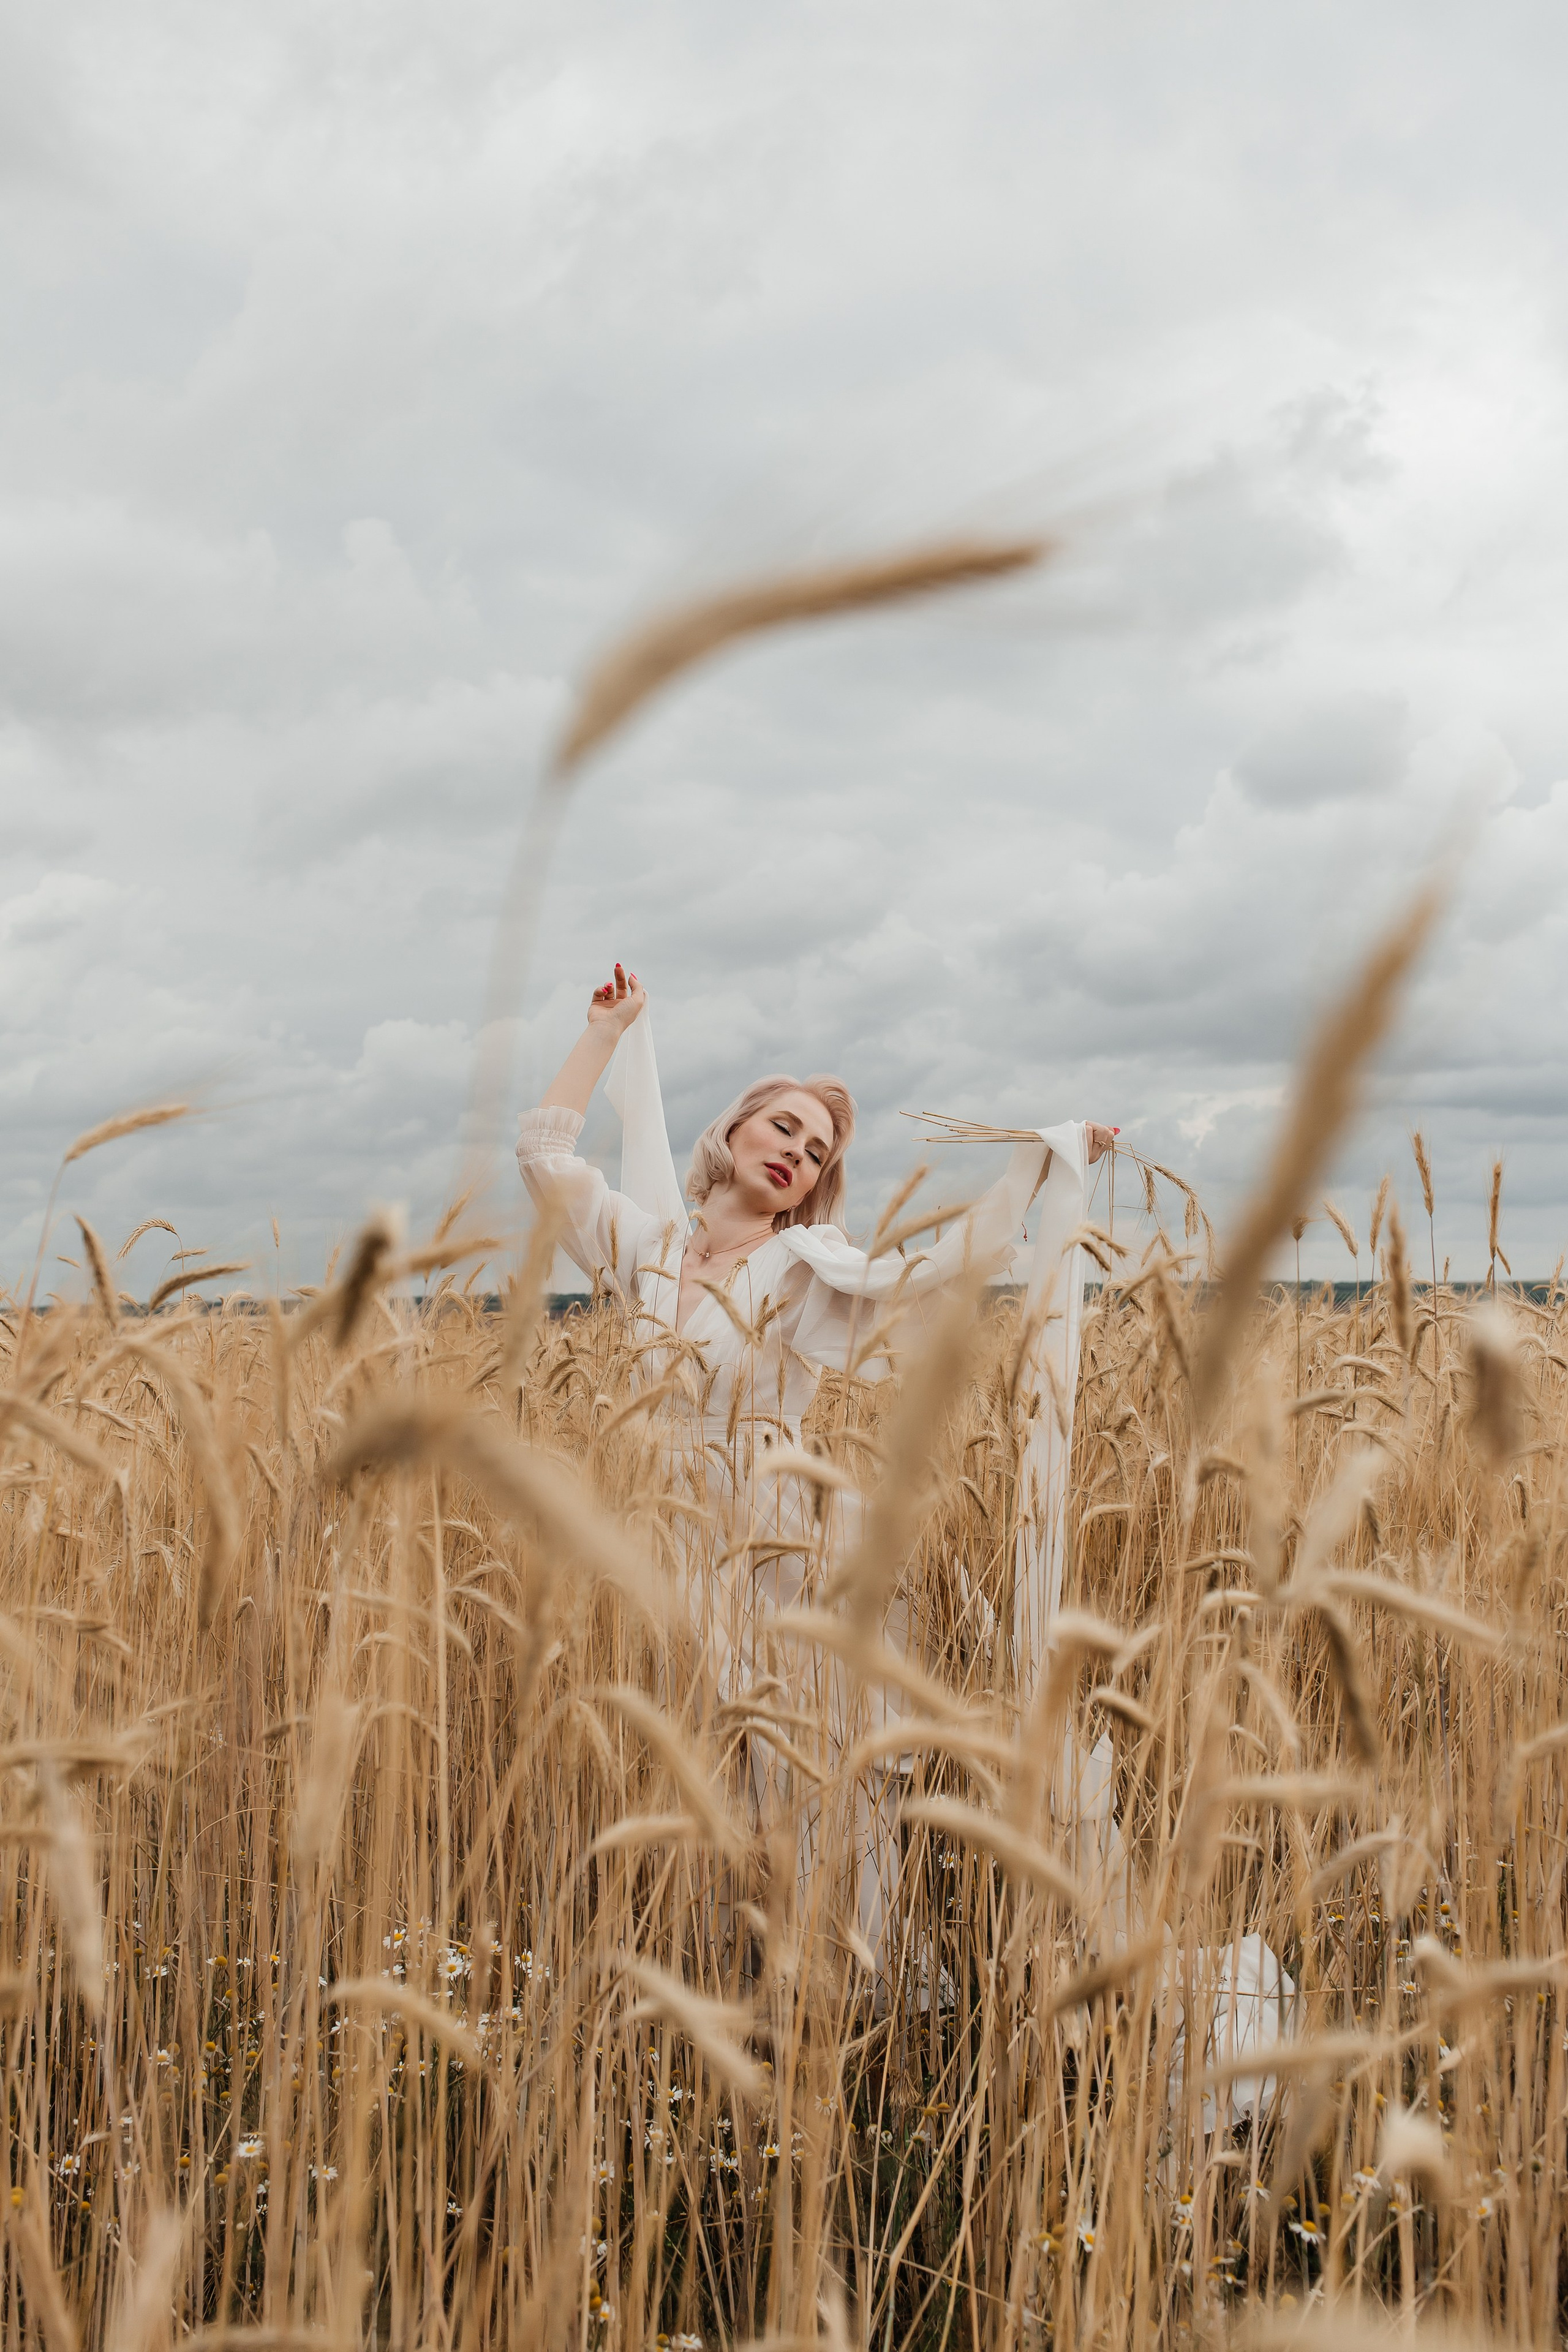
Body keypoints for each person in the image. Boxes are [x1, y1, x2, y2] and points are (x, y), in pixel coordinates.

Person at [516, 962, 1115, 1974]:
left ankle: (834, 1978)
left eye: (818, 1148)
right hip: (656, 1534)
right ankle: (709, 1978)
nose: (798, 1151)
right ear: (734, 1132)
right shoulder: (648, 1249)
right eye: (784, 1127)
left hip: (774, 1537)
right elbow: (544, 1156)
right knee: (687, 1758)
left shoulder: (807, 1263)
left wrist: (1037, 1169)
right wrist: (607, 1032)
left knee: (804, 1758)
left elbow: (935, 1268)